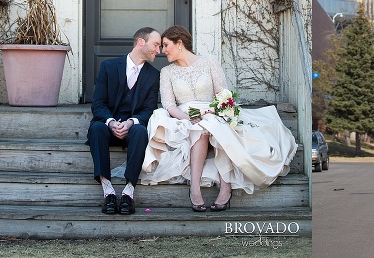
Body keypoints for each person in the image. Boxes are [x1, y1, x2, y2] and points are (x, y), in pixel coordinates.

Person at [138, 25, 298, 212]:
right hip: (184, 116)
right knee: (200, 128)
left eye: (166, 45)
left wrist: (216, 111)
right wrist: (190, 117)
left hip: (213, 112)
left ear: (179, 43)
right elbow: (169, 104)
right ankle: (194, 189)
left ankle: (225, 187)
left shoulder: (209, 62)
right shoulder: (167, 72)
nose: (162, 51)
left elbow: (223, 94)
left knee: (215, 125)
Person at [87, 27, 162, 215]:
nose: (158, 51)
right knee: (96, 128)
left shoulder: (153, 75)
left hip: (132, 130)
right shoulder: (108, 67)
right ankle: (108, 191)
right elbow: (98, 104)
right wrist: (111, 122)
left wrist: (130, 123)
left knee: (140, 131)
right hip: (107, 127)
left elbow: (148, 109)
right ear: (141, 42)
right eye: (156, 45)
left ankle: (129, 191)